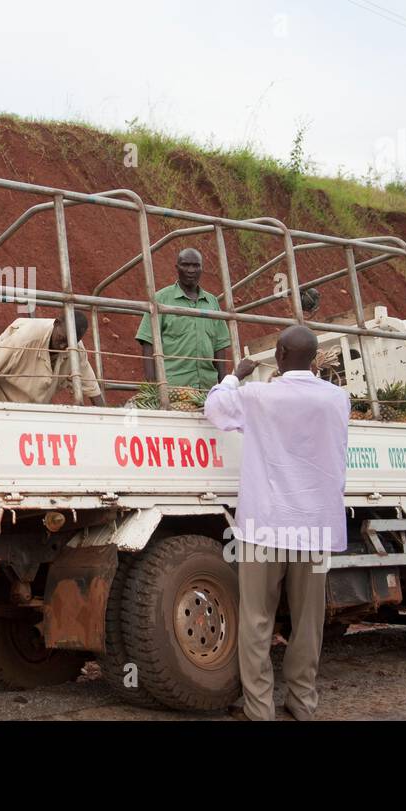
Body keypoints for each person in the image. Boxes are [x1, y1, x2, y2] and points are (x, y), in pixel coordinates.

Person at [203, 325, 349, 721]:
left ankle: (259, 709)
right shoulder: (338, 399)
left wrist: (237, 373)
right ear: (315, 359)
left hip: (266, 526)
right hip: (316, 527)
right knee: (308, 623)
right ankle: (302, 704)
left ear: (280, 356)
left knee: (256, 619)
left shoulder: (259, 396)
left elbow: (215, 407)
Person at [0, 312, 107, 420]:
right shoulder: (26, 338)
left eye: (70, 342)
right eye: (62, 338)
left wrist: (106, 422)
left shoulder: (75, 349)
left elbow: (92, 389)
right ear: (56, 323)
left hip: (29, 409)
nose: (64, 345)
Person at [136, 248, 231, 391]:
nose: (191, 270)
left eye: (196, 265)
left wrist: (223, 387)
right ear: (177, 268)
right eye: (185, 265)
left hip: (208, 389)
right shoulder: (161, 299)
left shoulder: (212, 302)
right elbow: (148, 342)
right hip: (173, 388)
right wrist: (153, 386)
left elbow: (219, 346)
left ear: (201, 268)